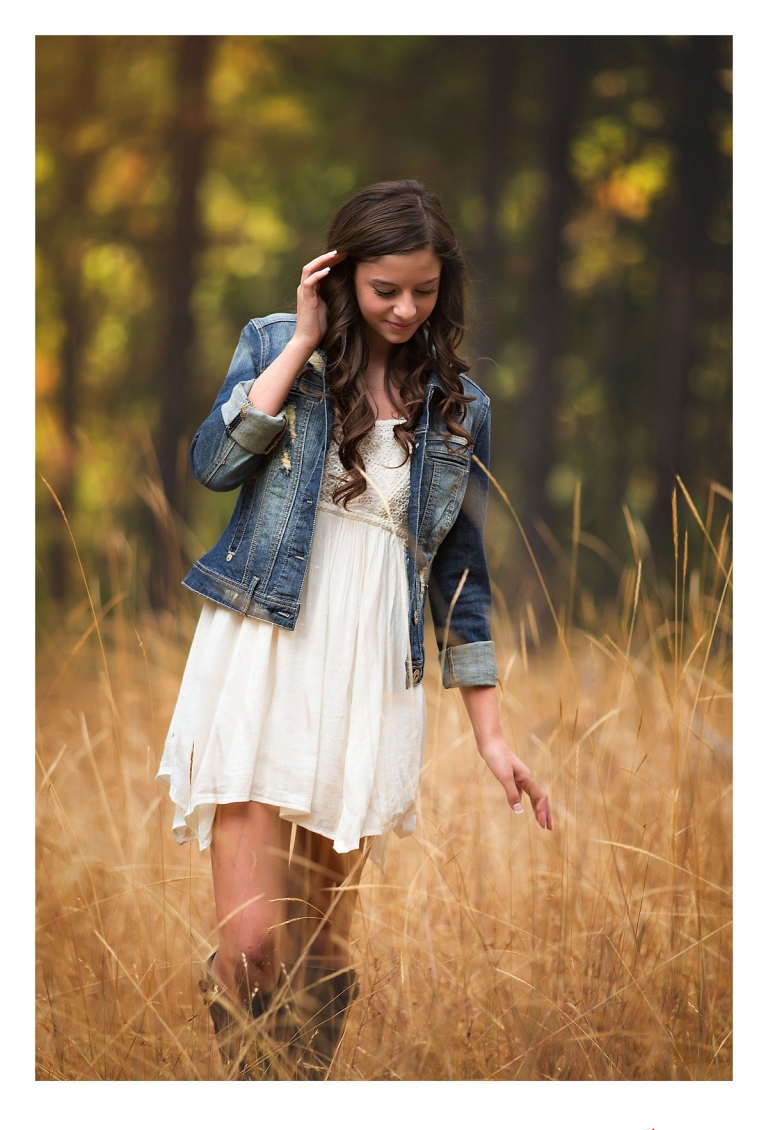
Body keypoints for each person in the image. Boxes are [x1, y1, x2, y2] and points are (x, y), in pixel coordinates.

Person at [158, 179, 553, 1080]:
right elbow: (213, 465)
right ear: (342, 275)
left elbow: (462, 576)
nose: (408, 308)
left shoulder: (461, 407)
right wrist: (301, 340)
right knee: (252, 944)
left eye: (425, 290)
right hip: (263, 655)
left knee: (317, 955)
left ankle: (299, 1110)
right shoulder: (273, 344)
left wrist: (491, 734)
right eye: (386, 291)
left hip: (370, 674)